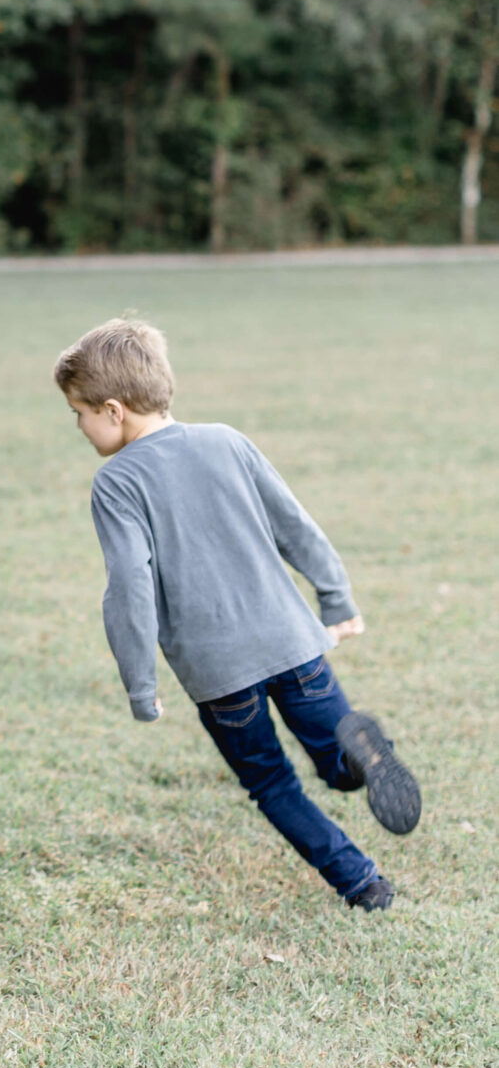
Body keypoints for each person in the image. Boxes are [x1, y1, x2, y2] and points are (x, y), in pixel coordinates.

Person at [55, 316, 421, 912]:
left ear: (114, 410)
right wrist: (337, 598)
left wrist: (140, 685)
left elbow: (129, 588)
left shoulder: (116, 482)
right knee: (334, 756)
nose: (77, 425)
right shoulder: (228, 440)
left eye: (78, 412)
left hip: (220, 674)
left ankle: (364, 884)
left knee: (273, 784)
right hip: (294, 643)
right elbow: (294, 526)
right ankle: (361, 762)